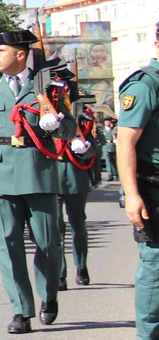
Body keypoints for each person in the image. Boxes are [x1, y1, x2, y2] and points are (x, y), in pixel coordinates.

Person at [0, 30, 72, 334]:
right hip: (0, 173)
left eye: (1, 50)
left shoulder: (47, 86)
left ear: (20, 54)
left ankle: (48, 294)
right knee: (8, 244)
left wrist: (57, 124)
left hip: (38, 172)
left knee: (49, 242)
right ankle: (21, 310)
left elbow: (69, 129)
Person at [115, 23, 159, 340]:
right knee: (155, 263)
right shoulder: (145, 85)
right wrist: (132, 194)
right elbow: (125, 142)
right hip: (152, 187)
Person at [54, 70, 99, 289]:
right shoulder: (44, 111)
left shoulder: (82, 114)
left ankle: (81, 266)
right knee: (55, 228)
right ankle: (60, 272)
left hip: (74, 174)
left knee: (78, 225)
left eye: (63, 87)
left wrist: (85, 148)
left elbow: (94, 147)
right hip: (50, 175)